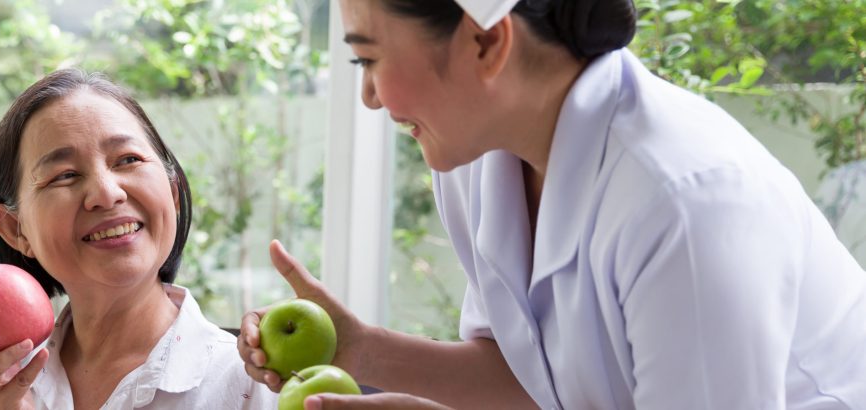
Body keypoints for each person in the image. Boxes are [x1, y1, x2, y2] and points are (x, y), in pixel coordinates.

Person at [238, 0, 866, 409]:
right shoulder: (478, 157)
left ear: (488, 43)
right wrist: (362, 351)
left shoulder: (684, 204)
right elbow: (534, 381)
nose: (370, 97)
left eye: (368, 58)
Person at [0, 69, 277, 409]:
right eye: (65, 175)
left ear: (173, 194)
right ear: (15, 229)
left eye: (128, 160)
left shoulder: (254, 383)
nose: (106, 193)